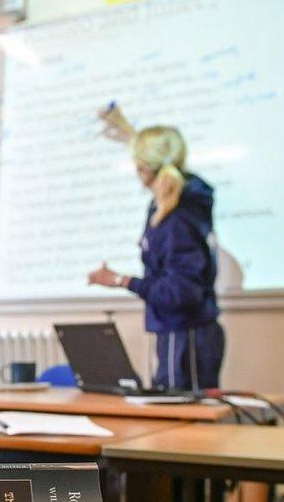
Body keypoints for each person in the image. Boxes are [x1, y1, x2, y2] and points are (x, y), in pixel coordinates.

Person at [89, 107, 223, 391]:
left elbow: (180, 292)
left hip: (185, 336)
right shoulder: (178, 204)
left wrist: (121, 281)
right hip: (179, 333)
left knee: (182, 425)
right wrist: (127, 131)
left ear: (145, 168)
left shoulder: (176, 219)